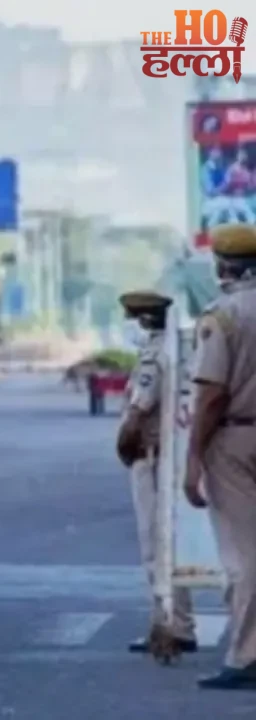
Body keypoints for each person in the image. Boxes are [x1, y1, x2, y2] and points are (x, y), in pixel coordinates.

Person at [186, 223, 256, 689]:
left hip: (234, 440)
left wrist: (193, 459)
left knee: (244, 552)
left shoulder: (225, 315)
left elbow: (211, 395)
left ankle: (248, 656)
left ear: (223, 266)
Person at [114, 290, 197, 656]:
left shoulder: (154, 353)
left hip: (150, 458)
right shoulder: (176, 348)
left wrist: (123, 442)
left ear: (146, 319)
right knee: (168, 545)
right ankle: (177, 623)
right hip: (166, 455)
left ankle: (170, 626)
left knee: (155, 546)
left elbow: (137, 412)